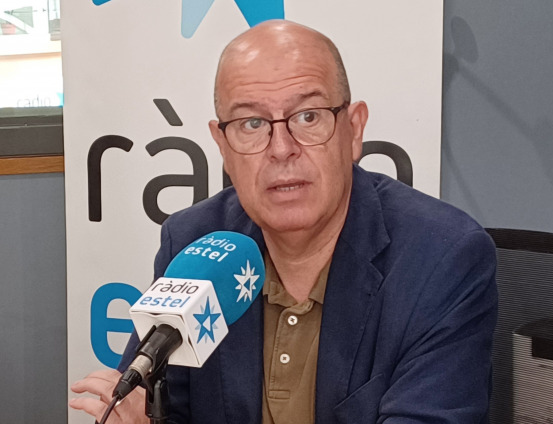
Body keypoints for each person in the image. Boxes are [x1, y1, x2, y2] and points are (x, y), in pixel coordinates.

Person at [70, 20, 497, 424]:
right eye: (252, 123)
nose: (281, 149)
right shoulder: (194, 243)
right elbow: (160, 406)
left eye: (308, 116)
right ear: (222, 145)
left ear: (353, 129)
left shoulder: (441, 260)